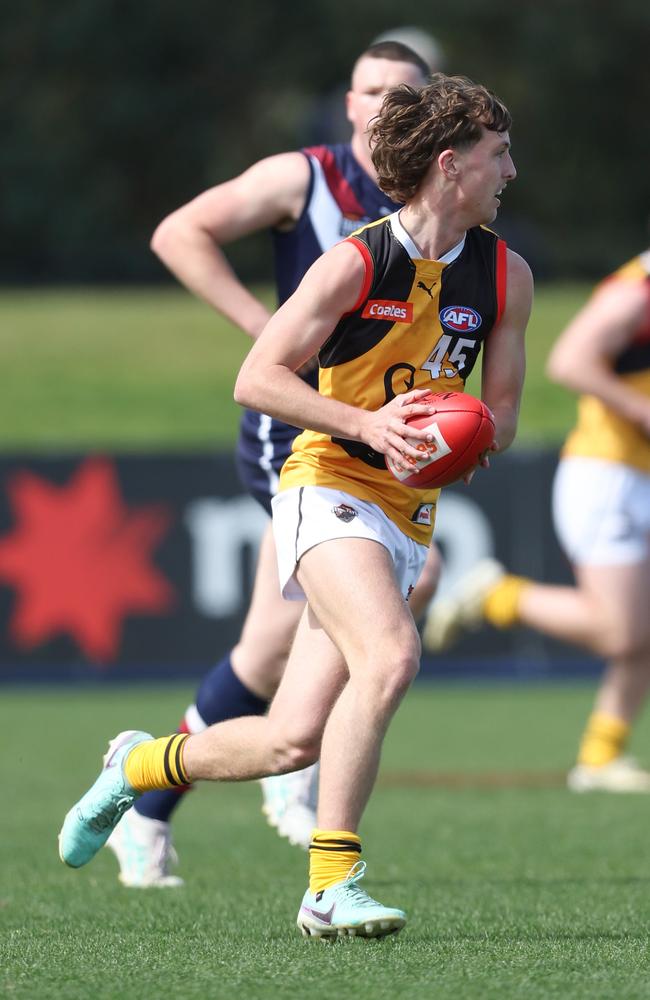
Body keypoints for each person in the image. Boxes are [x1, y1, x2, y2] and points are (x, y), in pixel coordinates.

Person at [59, 72, 532, 938]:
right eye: (499, 155)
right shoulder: (359, 260)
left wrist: (460, 434)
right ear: (450, 164)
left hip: (408, 515)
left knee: (291, 741)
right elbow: (257, 378)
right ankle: (331, 885)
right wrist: (370, 423)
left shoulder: (507, 276)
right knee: (390, 657)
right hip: (327, 483)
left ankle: (140, 764)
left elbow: (500, 415)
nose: (511, 171)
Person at [104, 40, 442, 890]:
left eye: (401, 91)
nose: (380, 103)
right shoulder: (308, 178)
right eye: (367, 89)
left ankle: (148, 797)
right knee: (405, 589)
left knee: (266, 653)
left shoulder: (436, 203)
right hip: (295, 431)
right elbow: (178, 233)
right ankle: (281, 771)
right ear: (350, 104)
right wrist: (269, 329)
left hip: (368, 433)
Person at [424, 249, 650, 792]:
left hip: (634, 473)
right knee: (621, 631)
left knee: (642, 629)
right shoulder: (637, 291)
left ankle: (601, 757)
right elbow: (569, 361)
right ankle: (496, 595)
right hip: (609, 474)